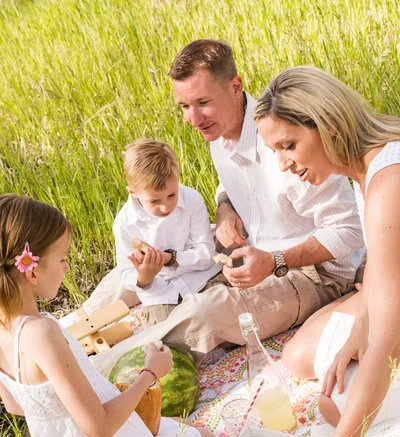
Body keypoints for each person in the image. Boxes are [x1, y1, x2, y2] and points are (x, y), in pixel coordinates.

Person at [93, 39, 365, 377]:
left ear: (235, 87)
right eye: (183, 106)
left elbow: (350, 231)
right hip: (253, 245)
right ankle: (63, 336)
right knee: (144, 261)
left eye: (202, 103)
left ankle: (97, 378)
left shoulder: (290, 142)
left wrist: (275, 260)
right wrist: (224, 207)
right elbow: (231, 182)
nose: (193, 119)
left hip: (314, 273)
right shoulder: (219, 131)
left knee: (208, 310)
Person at [0, 194, 216, 437]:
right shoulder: (41, 332)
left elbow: (17, 406)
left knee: (172, 427)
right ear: (32, 270)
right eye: (64, 258)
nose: (67, 267)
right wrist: (149, 374)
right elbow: (99, 428)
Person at [254, 65, 400, 437]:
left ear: (329, 125)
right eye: (275, 150)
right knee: (303, 360)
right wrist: (358, 330)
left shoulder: (387, 184)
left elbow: (385, 340)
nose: (283, 164)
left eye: (289, 145)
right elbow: (382, 268)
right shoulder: (367, 171)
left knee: (335, 410)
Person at [114, 138, 224, 326]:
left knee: (223, 312)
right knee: (170, 335)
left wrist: (169, 258)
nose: (165, 207)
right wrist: (144, 277)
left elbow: (206, 254)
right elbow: (125, 273)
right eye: (155, 201)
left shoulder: (192, 200)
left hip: (203, 279)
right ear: (133, 192)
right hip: (161, 294)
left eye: (172, 195)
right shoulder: (124, 223)